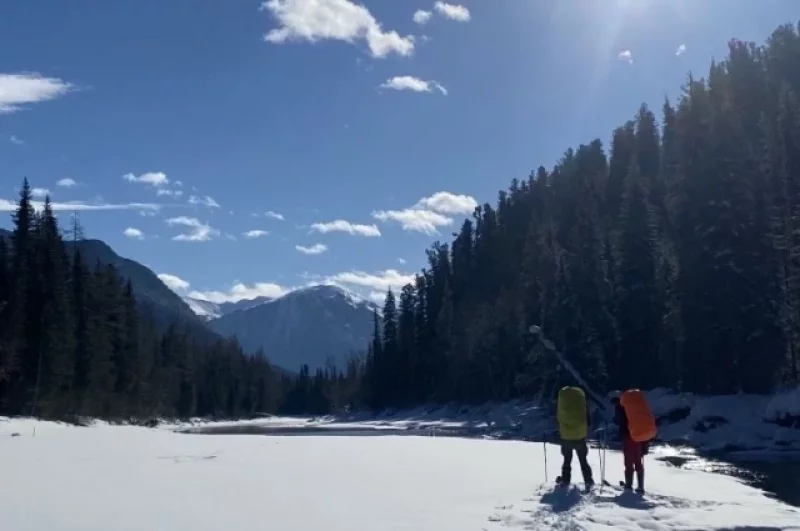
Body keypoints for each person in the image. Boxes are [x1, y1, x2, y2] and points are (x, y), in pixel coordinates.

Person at [555, 386, 594, 489]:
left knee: (567, 460)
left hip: (566, 436)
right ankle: (588, 480)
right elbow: (588, 420)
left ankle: (565, 480)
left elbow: (558, 417)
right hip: (580, 436)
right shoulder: (582, 403)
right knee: (583, 460)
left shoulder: (562, 403)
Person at [611, 390, 649, 494]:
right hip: (640, 436)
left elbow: (618, 420)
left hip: (628, 436)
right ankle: (640, 486)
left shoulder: (621, 407)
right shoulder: (637, 406)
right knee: (638, 460)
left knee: (628, 461)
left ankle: (629, 485)